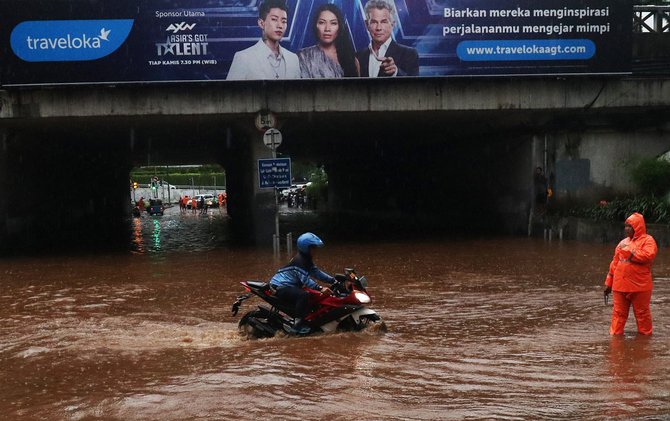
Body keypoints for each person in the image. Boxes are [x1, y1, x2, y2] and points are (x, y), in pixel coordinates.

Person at [269, 232, 335, 334]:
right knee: (303, 295)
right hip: (279, 286)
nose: (316, 250)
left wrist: (333, 280)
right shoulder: (299, 261)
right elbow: (306, 280)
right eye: (314, 248)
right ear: (307, 248)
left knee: (312, 296)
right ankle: (298, 325)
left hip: (290, 286)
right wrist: (320, 288)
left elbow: (317, 273)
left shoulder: (306, 260)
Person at [603, 212, 658, 335]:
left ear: (637, 227)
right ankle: (615, 344)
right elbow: (614, 263)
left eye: (629, 226)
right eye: (626, 225)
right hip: (620, 286)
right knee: (618, 315)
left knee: (642, 315)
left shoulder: (648, 241)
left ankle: (644, 345)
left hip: (639, 286)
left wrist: (628, 250)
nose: (626, 228)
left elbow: (648, 256)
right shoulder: (622, 242)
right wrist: (609, 283)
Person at [226, 0, 300, 80]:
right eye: (274, 19)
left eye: (284, 21)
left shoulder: (293, 59)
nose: (280, 25)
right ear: (261, 23)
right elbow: (230, 92)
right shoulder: (243, 58)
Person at [355, 0, 419, 77]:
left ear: (392, 24)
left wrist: (395, 72)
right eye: (374, 22)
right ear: (366, 25)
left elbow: (414, 86)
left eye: (384, 22)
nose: (379, 28)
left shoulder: (409, 54)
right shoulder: (358, 57)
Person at [298, 3, 359, 78]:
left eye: (333, 23)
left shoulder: (351, 59)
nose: (327, 29)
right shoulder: (303, 56)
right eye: (322, 22)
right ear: (315, 25)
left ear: (340, 27)